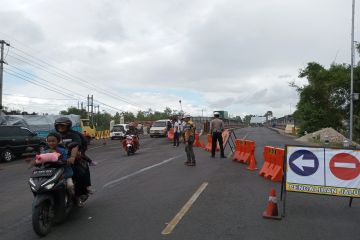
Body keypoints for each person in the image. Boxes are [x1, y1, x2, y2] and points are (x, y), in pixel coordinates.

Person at [54, 117, 92, 205]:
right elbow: (48, 144)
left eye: (62, 126)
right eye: (58, 126)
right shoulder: (55, 135)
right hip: (58, 159)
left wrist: (73, 156)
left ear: (68, 126)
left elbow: (77, 145)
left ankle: (81, 193)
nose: (60, 127)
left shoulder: (74, 135)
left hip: (72, 158)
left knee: (80, 171)